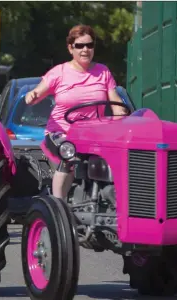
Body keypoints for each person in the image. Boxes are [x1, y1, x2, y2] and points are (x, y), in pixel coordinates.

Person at [25, 24, 127, 200]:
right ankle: (59, 206)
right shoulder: (59, 72)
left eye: (89, 45)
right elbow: (37, 93)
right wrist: (32, 95)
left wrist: (123, 122)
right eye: (80, 46)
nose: (85, 50)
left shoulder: (103, 72)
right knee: (69, 153)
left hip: (94, 135)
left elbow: (115, 102)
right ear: (70, 48)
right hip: (61, 133)